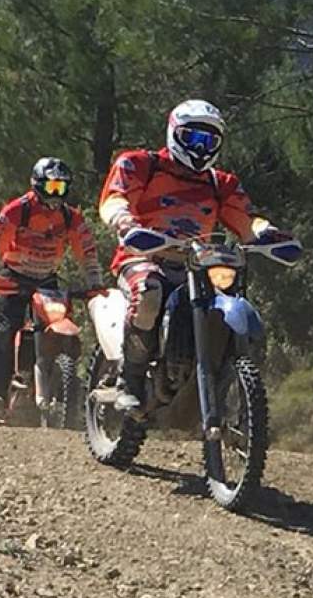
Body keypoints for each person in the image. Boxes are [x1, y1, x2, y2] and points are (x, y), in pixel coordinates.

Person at [98, 99, 291, 414]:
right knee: (149, 293)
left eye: (209, 141)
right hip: (144, 256)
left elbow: (245, 218)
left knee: (228, 297)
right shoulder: (140, 165)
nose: (200, 147)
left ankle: (223, 387)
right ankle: (129, 380)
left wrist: (267, 232)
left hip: (197, 265)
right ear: (174, 133)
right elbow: (114, 198)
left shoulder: (220, 183)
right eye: (192, 138)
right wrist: (125, 221)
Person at [0, 157, 103, 423]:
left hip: (47, 279)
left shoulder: (71, 218)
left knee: (57, 326)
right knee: (5, 332)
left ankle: (66, 393)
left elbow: (87, 252)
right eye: (51, 187)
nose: (56, 193)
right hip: (14, 278)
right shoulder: (18, 210)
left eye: (61, 187)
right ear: (37, 184)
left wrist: (95, 282)